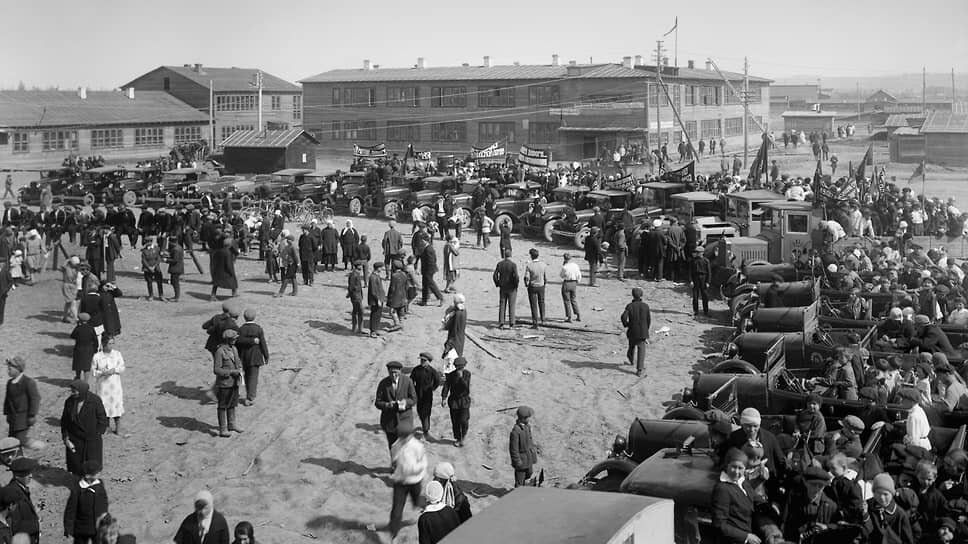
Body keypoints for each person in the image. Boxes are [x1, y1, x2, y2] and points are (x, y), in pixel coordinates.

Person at [712, 448, 761, 544]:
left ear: (745, 469)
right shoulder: (722, 489)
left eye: (740, 468)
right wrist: (745, 537)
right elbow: (719, 524)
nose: (736, 472)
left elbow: (753, 497)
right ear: (726, 466)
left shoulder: (742, 482)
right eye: (733, 467)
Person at [388, 420, 426, 543]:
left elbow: (423, 464)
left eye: (405, 436)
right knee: (396, 510)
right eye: (401, 436)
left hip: (415, 481)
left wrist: (411, 469)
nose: (403, 438)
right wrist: (395, 468)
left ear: (410, 435)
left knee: (417, 502)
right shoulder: (396, 446)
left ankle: (431, 509)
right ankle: (394, 534)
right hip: (400, 482)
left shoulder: (417, 446)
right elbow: (393, 460)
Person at [61, 380, 108, 477]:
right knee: (76, 467)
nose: (72, 393)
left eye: (75, 391)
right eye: (72, 391)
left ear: (82, 391)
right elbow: (64, 422)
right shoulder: (69, 402)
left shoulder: (95, 401)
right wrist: (66, 438)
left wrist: (98, 433)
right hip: (75, 440)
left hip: (92, 441)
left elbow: (102, 418)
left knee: (92, 468)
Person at [64, 460, 109, 544]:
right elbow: (70, 510)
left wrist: (105, 516)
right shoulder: (77, 490)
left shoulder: (99, 485)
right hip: (81, 529)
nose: (99, 474)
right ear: (88, 476)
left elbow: (104, 501)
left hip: (98, 527)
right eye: (97, 473)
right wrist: (68, 528)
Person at [374, 361, 417, 450]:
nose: (394, 375)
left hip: (405, 418)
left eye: (396, 373)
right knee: (393, 446)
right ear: (388, 372)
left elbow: (413, 399)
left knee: (406, 445)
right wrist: (387, 405)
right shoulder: (383, 383)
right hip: (389, 421)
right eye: (391, 373)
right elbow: (378, 402)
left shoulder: (407, 381)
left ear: (400, 371)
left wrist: (405, 402)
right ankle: (395, 463)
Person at [863, 473, 914, 544]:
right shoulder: (868, 506)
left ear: (892, 493)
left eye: (885, 494)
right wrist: (864, 514)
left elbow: (908, 539)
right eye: (878, 493)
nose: (881, 497)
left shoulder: (900, 514)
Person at [91, 335, 125, 436]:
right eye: (109, 343)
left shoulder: (117, 354)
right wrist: (102, 373)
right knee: (103, 406)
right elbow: (93, 371)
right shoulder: (97, 356)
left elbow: (122, 367)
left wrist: (115, 370)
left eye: (112, 343)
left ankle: (118, 428)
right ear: (104, 344)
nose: (111, 346)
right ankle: (106, 427)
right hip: (103, 386)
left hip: (115, 386)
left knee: (116, 406)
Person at [213, 329, 243, 438]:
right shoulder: (220, 351)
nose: (235, 340)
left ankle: (232, 424)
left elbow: (237, 362)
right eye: (233, 339)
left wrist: (239, 368)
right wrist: (231, 372)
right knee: (222, 406)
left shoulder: (234, 349)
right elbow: (217, 370)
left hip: (234, 382)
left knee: (232, 404)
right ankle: (223, 428)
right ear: (227, 340)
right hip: (224, 383)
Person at [3, 357, 38, 448]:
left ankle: (36, 444)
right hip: (13, 418)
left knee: (20, 439)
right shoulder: (10, 383)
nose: (8, 371)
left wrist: (32, 415)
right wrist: (7, 413)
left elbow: (35, 399)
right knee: (12, 440)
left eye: (10, 369)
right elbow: (7, 399)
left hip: (23, 417)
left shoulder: (28, 382)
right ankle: (15, 459)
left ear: (18, 369)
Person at [236, 309, 268, 407]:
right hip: (256, 356)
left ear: (244, 317)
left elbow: (238, 342)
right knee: (253, 377)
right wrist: (266, 355)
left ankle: (241, 393)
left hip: (244, 356)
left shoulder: (241, 329)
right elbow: (263, 343)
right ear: (254, 317)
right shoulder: (258, 329)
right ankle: (250, 397)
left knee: (244, 376)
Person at [4, 458, 39, 542]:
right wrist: (37, 525)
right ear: (17, 476)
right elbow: (15, 526)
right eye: (27, 473)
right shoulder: (12, 494)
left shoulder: (20, 487)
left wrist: (35, 510)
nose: (31, 475)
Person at [621, 287, 652, 377]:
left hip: (632, 330)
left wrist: (626, 324)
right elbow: (648, 320)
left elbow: (623, 317)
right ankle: (639, 369)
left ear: (633, 295)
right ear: (641, 295)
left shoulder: (630, 306)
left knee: (631, 346)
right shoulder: (645, 306)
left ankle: (631, 359)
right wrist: (646, 329)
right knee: (641, 350)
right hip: (642, 331)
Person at [441, 357, 471, 447]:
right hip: (454, 401)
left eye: (461, 367)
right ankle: (458, 438)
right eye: (458, 367)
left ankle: (464, 435)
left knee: (464, 420)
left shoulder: (467, 374)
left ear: (464, 366)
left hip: (464, 400)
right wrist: (443, 398)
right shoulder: (450, 375)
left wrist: (461, 377)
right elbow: (446, 387)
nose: (459, 369)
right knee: (455, 421)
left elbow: (465, 387)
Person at [410, 352, 440, 439]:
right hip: (418, 393)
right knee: (419, 410)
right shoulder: (416, 369)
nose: (422, 362)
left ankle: (426, 430)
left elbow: (437, 381)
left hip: (427, 394)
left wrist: (432, 388)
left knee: (426, 412)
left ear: (429, 361)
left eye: (424, 360)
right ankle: (425, 425)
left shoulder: (432, 371)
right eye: (421, 360)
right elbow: (411, 379)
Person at [509, 405, 539, 487]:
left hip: (528, 459)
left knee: (529, 475)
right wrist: (517, 462)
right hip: (521, 462)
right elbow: (513, 450)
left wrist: (533, 455)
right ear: (523, 418)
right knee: (520, 482)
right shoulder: (516, 432)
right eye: (528, 417)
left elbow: (530, 441)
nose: (530, 419)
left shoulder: (527, 427)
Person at [493, 248, 519, 329]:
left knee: (502, 305)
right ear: (511, 255)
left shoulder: (500, 264)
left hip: (503, 287)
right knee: (512, 305)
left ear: (504, 255)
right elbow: (516, 276)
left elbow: (495, 275)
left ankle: (501, 323)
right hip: (511, 288)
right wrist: (516, 285)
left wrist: (497, 283)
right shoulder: (513, 265)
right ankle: (511, 323)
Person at [71, 313, 99, 382]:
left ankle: (78, 377)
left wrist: (77, 326)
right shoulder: (91, 328)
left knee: (78, 365)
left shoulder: (78, 328)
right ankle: (86, 381)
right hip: (89, 349)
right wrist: (95, 349)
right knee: (87, 366)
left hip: (79, 349)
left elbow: (72, 336)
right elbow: (95, 339)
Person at [524, 248, 547, 328]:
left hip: (533, 286)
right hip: (541, 285)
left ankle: (535, 322)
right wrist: (544, 284)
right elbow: (545, 277)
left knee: (533, 305)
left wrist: (526, 284)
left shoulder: (529, 266)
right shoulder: (543, 264)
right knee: (542, 302)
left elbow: (527, 277)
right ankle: (543, 319)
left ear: (531, 256)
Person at [386, 262, 409, 331]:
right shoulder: (404, 274)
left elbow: (392, 288)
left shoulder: (394, 276)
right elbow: (407, 286)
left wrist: (389, 297)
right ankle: (401, 324)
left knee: (392, 311)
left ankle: (397, 324)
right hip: (403, 295)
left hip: (395, 296)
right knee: (401, 311)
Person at [420, 243, 444, 307]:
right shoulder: (427, 248)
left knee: (431, 284)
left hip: (428, 270)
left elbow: (431, 261)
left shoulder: (428, 249)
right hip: (426, 270)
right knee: (425, 284)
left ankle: (440, 297)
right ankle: (424, 300)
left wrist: (429, 270)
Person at [140, 236, 164, 301]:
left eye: (149, 242)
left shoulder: (156, 248)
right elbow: (143, 260)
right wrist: (149, 267)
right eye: (147, 242)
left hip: (156, 268)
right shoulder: (144, 250)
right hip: (147, 268)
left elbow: (158, 258)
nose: (148, 243)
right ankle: (151, 295)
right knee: (149, 282)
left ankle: (161, 295)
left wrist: (154, 266)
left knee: (159, 282)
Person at [689, 247, 711, 317]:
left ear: (702, 253)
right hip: (695, 278)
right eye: (697, 252)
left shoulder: (706, 261)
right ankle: (696, 311)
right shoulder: (693, 261)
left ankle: (706, 311)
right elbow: (690, 272)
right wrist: (691, 281)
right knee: (695, 296)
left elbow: (709, 272)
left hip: (703, 278)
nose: (697, 253)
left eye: (698, 252)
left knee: (705, 296)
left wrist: (708, 282)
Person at [560, 253, 581, 322]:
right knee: (574, 299)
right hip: (574, 283)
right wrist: (577, 281)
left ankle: (569, 317)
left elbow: (561, 275)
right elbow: (579, 274)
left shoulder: (565, 267)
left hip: (567, 283)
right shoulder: (575, 265)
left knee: (566, 301)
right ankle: (578, 315)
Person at [367, 262, 386, 337]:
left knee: (378, 315)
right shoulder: (373, 277)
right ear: (378, 268)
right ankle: (373, 331)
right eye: (381, 267)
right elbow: (373, 290)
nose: (382, 269)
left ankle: (376, 329)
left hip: (379, 299)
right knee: (374, 315)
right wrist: (377, 300)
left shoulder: (376, 276)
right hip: (375, 300)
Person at [61, 256, 82, 323]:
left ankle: (65, 317)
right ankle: (76, 318)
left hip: (73, 286)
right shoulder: (66, 268)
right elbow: (63, 266)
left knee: (68, 303)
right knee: (73, 302)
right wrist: (68, 260)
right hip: (67, 285)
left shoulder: (77, 269)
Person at [346, 262, 365, 334]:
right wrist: (350, 294)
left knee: (357, 311)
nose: (361, 266)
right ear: (357, 266)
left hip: (358, 295)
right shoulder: (354, 275)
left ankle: (358, 328)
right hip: (355, 295)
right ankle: (356, 328)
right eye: (360, 265)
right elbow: (351, 286)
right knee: (358, 311)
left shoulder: (357, 274)